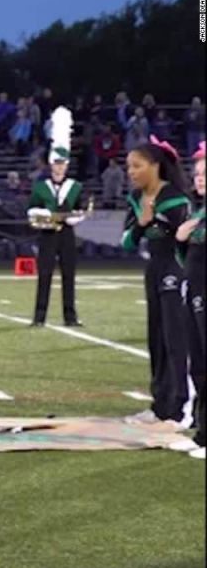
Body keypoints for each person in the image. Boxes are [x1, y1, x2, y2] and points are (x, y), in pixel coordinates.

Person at [121, 136, 194, 428]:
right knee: (157, 340)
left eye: (136, 166)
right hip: (153, 271)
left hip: (176, 273)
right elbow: (126, 243)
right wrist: (142, 223)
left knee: (176, 341)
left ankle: (180, 409)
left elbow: (188, 243)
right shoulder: (136, 200)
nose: (131, 172)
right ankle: (160, 406)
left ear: (154, 166)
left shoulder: (176, 199)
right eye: (129, 167)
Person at [26, 108, 87, 327]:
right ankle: (39, 317)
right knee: (44, 275)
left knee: (69, 276)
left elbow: (81, 209)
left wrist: (75, 218)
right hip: (47, 234)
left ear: (67, 165)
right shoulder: (40, 187)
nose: (59, 168)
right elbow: (30, 210)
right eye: (56, 164)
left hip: (67, 234)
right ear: (51, 165)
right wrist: (42, 215)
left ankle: (70, 317)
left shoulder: (75, 186)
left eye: (62, 164)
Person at [169, 142, 205, 458]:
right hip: (195, 291)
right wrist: (182, 239)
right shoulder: (199, 211)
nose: (200, 178)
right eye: (197, 173)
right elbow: (187, 256)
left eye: (206, 173)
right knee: (200, 362)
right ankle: (202, 432)